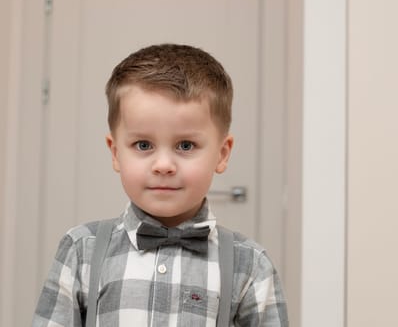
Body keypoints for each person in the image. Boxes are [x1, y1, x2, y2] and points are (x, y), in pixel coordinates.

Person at [32, 44, 288, 326]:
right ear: (116, 152)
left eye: (185, 145)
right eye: (143, 145)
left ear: (222, 153)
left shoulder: (250, 265)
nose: (163, 164)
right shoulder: (82, 251)